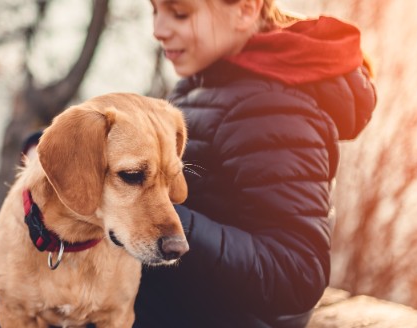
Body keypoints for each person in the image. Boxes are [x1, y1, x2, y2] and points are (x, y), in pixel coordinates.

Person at [137, 0, 376, 326]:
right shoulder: (203, 81)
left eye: (180, 13)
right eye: (154, 10)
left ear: (246, 10)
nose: (158, 30)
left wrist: (162, 218)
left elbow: (296, 275)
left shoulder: (274, 109)